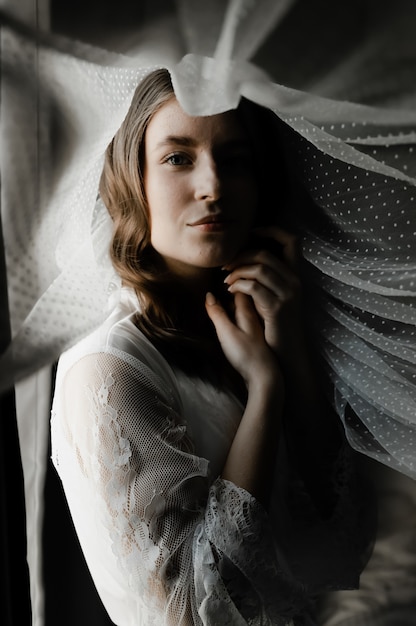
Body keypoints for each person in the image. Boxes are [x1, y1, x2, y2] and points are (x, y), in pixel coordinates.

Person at [51, 69, 371, 626]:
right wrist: (265, 390)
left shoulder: (250, 331)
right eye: (178, 157)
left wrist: (289, 343)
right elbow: (200, 612)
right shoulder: (109, 370)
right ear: (135, 177)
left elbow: (341, 540)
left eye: (236, 159)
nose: (214, 187)